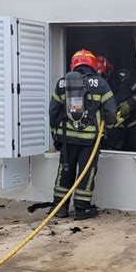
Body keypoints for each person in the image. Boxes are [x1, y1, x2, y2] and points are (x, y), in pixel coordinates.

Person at [49, 49, 117, 220]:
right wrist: (109, 127)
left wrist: (55, 134)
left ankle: (60, 208)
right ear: (93, 65)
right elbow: (110, 113)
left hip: (66, 138)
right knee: (86, 173)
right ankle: (81, 209)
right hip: (90, 139)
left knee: (65, 170)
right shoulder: (101, 84)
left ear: (74, 64)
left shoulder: (62, 83)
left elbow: (53, 111)